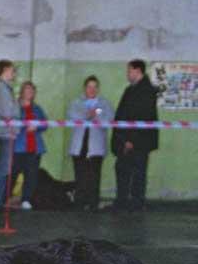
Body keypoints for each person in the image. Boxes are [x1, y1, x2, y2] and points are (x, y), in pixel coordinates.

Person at [110, 59, 159, 211]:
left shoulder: (145, 91)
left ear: (137, 71)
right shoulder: (132, 89)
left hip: (136, 142)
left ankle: (135, 203)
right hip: (128, 140)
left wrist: (130, 140)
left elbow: (142, 118)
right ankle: (124, 201)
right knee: (124, 170)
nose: (127, 74)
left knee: (136, 173)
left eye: (129, 70)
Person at [67, 76, 114, 212]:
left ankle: (93, 204)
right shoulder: (76, 102)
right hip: (79, 146)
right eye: (89, 86)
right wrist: (88, 114)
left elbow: (108, 118)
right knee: (80, 176)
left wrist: (96, 114)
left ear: (98, 89)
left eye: (95, 87)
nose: (92, 89)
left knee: (94, 177)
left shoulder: (104, 103)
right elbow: (72, 114)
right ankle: (79, 204)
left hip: (97, 147)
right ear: (84, 88)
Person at [0, 59, 20, 210]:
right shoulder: (2, 89)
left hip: (7, 133)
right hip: (6, 133)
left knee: (4, 168)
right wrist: (16, 108)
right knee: (3, 169)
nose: (14, 73)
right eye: (12, 70)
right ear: (5, 70)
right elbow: (7, 112)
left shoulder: (3, 88)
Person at [11, 82, 48, 210]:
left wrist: (37, 126)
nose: (29, 93)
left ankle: (26, 199)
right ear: (22, 92)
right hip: (18, 147)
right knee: (12, 173)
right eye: (27, 90)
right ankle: (5, 198)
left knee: (31, 176)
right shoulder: (14, 107)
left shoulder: (37, 109)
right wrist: (24, 126)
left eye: (32, 90)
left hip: (35, 147)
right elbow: (10, 124)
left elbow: (45, 124)